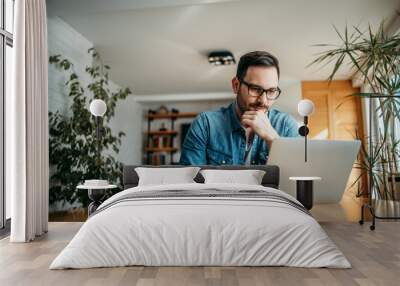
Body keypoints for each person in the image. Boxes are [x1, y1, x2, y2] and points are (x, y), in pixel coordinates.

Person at [180, 51, 298, 165]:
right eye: (255, 89)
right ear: (236, 85)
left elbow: (299, 177)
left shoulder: (286, 126)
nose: (263, 100)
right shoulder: (206, 124)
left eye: (271, 91)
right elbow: (191, 182)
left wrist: (272, 138)